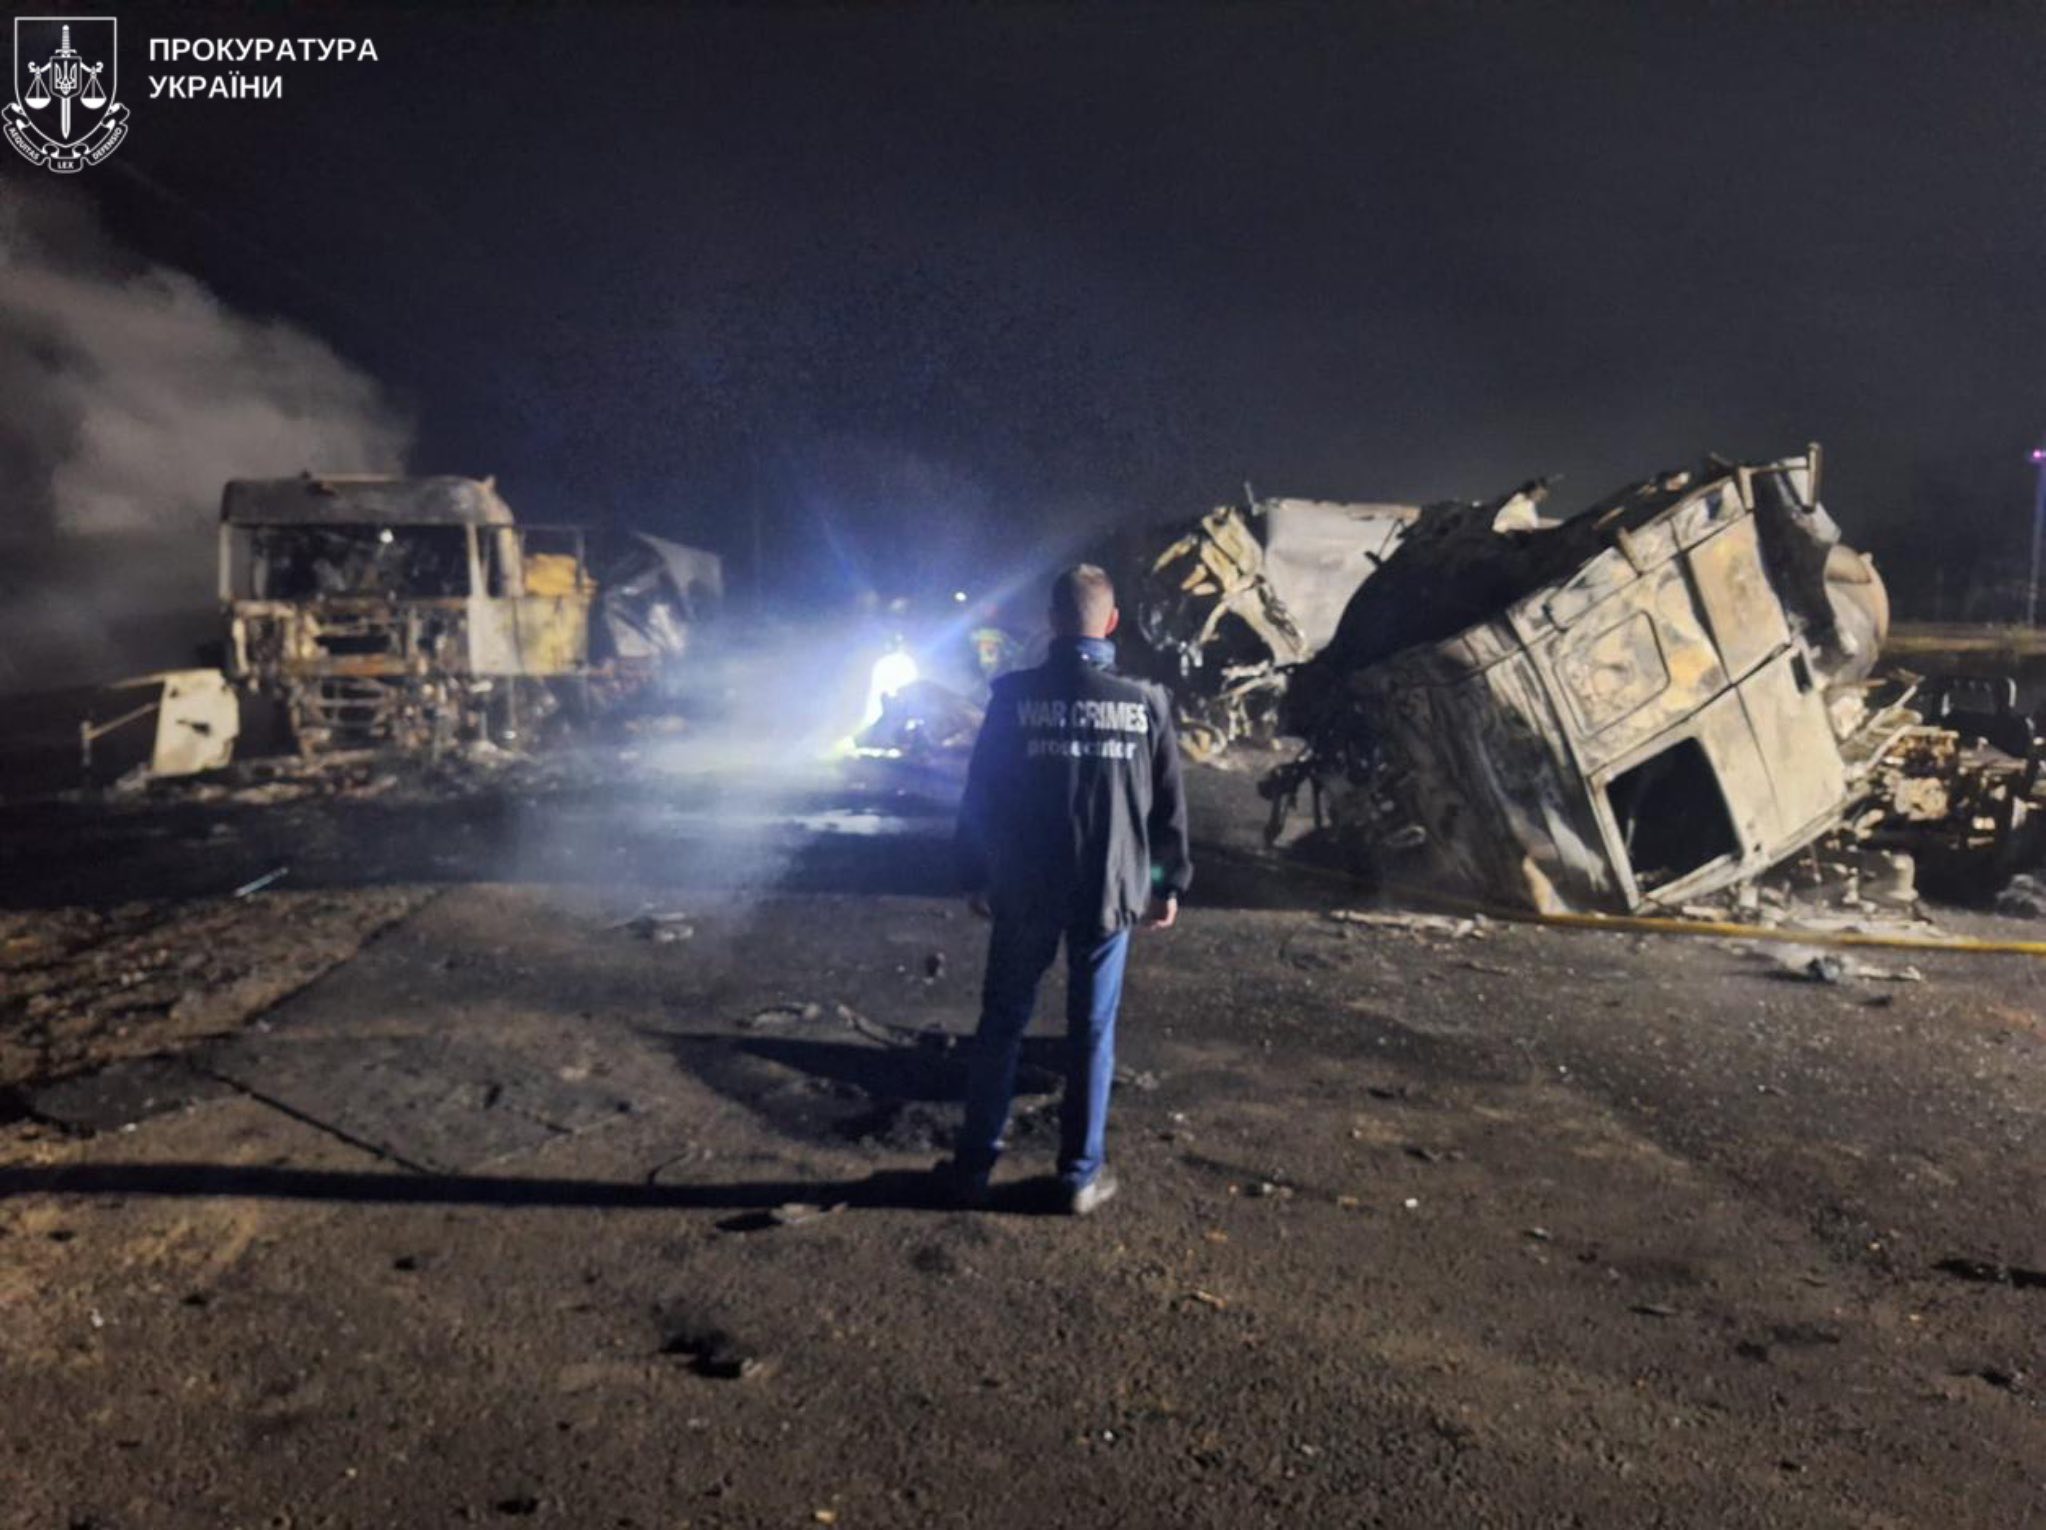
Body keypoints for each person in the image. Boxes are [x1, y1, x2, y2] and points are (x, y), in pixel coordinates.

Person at [947, 563, 1193, 1214]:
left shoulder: (1012, 698)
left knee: (1001, 1024)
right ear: (1111, 623)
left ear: (1052, 623)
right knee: (1090, 1033)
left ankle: (973, 1165)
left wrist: (975, 875)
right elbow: (1167, 813)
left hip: (1025, 888)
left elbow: (982, 799)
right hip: (1110, 891)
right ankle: (1079, 1177)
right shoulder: (1146, 704)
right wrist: (1166, 886)